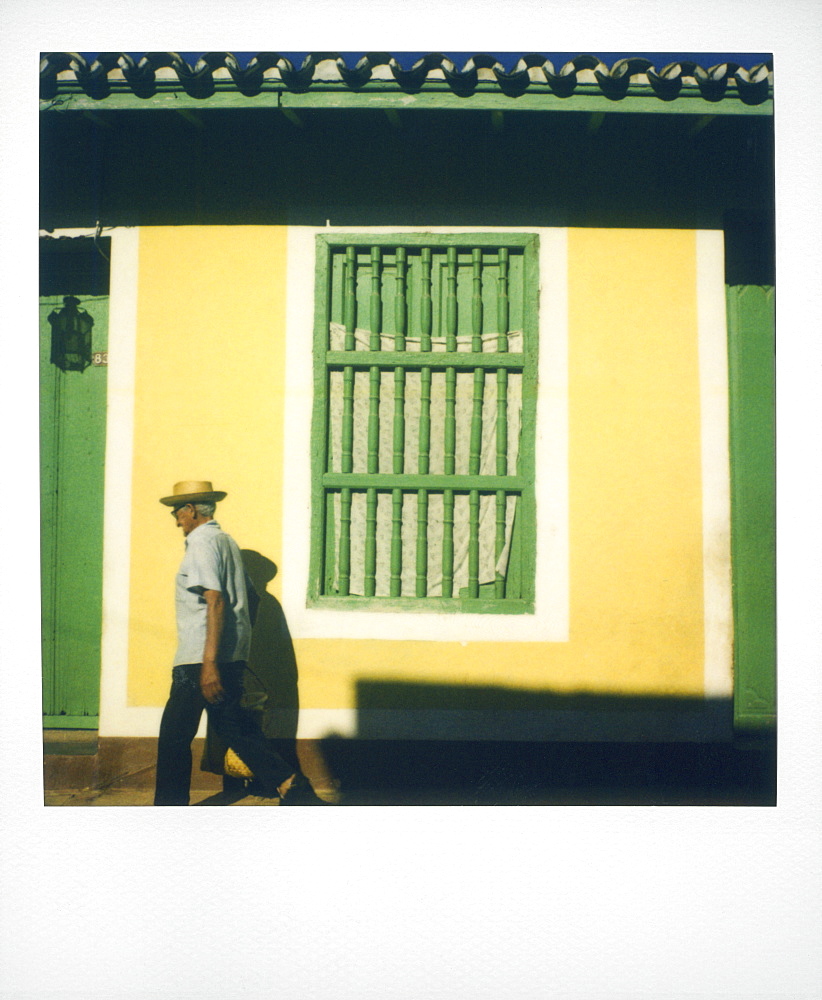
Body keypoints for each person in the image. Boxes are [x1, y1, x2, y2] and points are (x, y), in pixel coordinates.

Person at [154, 480, 323, 805]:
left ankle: (167, 812)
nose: (176, 521)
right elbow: (252, 600)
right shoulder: (227, 542)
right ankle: (292, 785)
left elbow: (215, 600)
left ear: (191, 510)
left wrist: (208, 664)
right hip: (226, 658)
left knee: (174, 738)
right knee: (236, 729)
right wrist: (233, 647)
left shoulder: (201, 543)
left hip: (198, 661)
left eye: (177, 513)